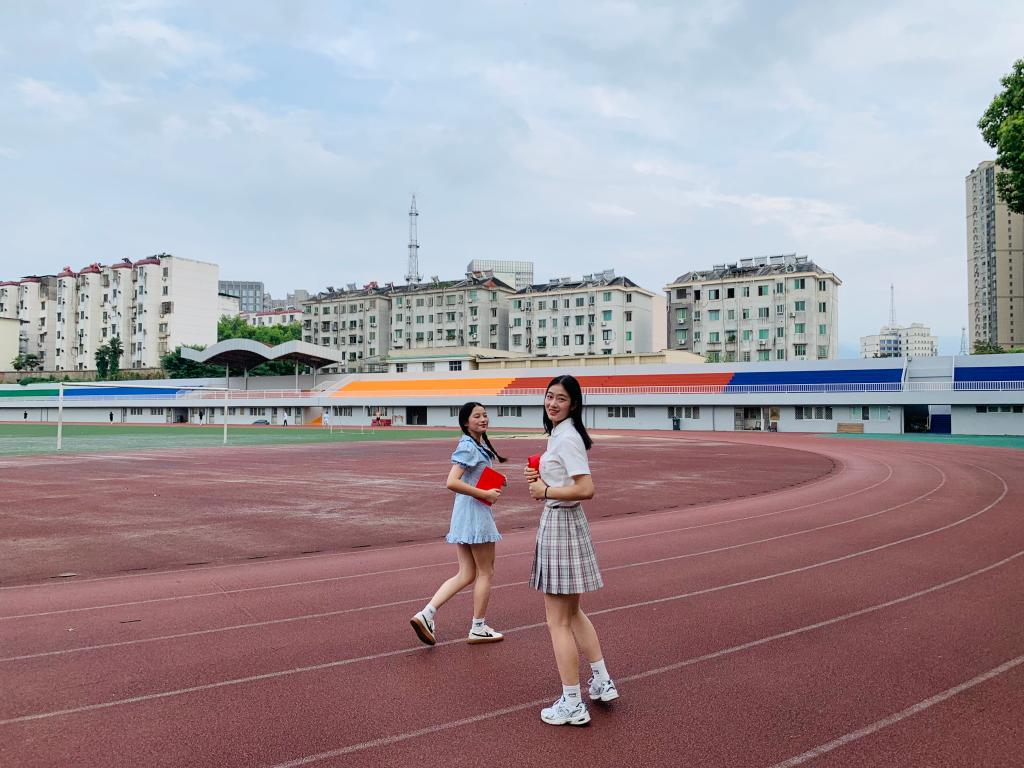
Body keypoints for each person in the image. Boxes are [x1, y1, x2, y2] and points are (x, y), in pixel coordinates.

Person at [525, 374, 618, 727]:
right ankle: (601, 680)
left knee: (557, 621)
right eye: (549, 396)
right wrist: (543, 482)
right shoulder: (562, 434)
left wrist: (545, 492)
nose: (552, 403)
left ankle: (572, 702)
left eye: (560, 398)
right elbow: (568, 482)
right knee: (574, 613)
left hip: (561, 524)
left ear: (573, 404)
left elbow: (586, 488)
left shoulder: (566, 438)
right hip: (567, 522)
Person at [411, 402, 508, 647]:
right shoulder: (468, 446)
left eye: (485, 415)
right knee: (486, 572)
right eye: (477, 416)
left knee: (466, 573)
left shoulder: (476, 445)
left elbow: (471, 477)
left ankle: (426, 614)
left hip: (465, 514)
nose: (483, 419)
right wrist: (484, 494)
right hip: (475, 514)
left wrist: (494, 480)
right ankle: (478, 627)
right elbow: (452, 481)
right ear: (466, 422)